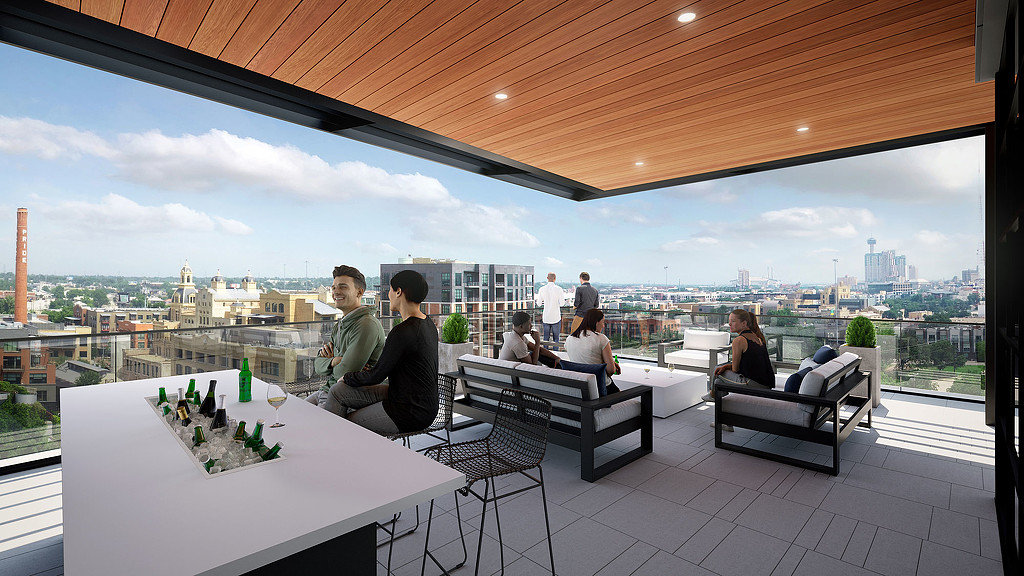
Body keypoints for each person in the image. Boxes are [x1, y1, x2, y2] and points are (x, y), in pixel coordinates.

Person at [324, 270, 439, 435]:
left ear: (399, 292)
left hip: (409, 410)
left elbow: (376, 375)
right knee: (337, 391)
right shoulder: (427, 323)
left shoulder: (403, 332)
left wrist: (347, 376)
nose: (389, 295)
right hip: (414, 398)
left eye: (390, 290)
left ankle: (333, 444)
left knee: (345, 422)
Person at [308, 265, 385, 407]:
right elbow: (317, 365)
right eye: (333, 287)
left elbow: (345, 372)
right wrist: (333, 361)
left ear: (359, 292)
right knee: (290, 412)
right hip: (327, 389)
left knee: (305, 426)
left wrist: (334, 364)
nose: (336, 292)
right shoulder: (340, 324)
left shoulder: (366, 325)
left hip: (346, 395)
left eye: (342, 287)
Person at [499, 310, 613, 395]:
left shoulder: (516, 336)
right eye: (529, 324)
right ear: (521, 326)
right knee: (534, 357)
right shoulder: (517, 343)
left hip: (513, 378)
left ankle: (559, 365)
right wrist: (538, 342)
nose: (531, 326)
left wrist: (557, 359)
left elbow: (540, 351)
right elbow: (532, 366)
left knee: (542, 356)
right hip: (516, 383)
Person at [704, 309, 775, 430]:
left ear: (744, 323)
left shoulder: (739, 340)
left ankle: (712, 394)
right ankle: (726, 423)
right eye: (729, 321)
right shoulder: (757, 337)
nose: (729, 324)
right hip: (766, 384)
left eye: (733, 321)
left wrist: (725, 366)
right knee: (718, 382)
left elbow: (736, 368)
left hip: (753, 384)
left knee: (717, 369)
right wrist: (726, 366)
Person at [565, 308, 621, 395]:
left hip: (580, 387)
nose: (603, 326)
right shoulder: (601, 338)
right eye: (603, 322)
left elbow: (584, 357)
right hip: (600, 388)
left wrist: (608, 362)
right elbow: (611, 370)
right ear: (596, 322)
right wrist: (612, 365)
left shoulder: (569, 339)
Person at [536, 272, 566, 350]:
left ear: (547, 278)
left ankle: (546, 354)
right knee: (556, 338)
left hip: (546, 317)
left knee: (546, 338)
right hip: (556, 317)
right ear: (555, 279)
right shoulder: (559, 289)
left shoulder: (542, 289)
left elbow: (538, 304)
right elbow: (562, 304)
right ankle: (556, 354)